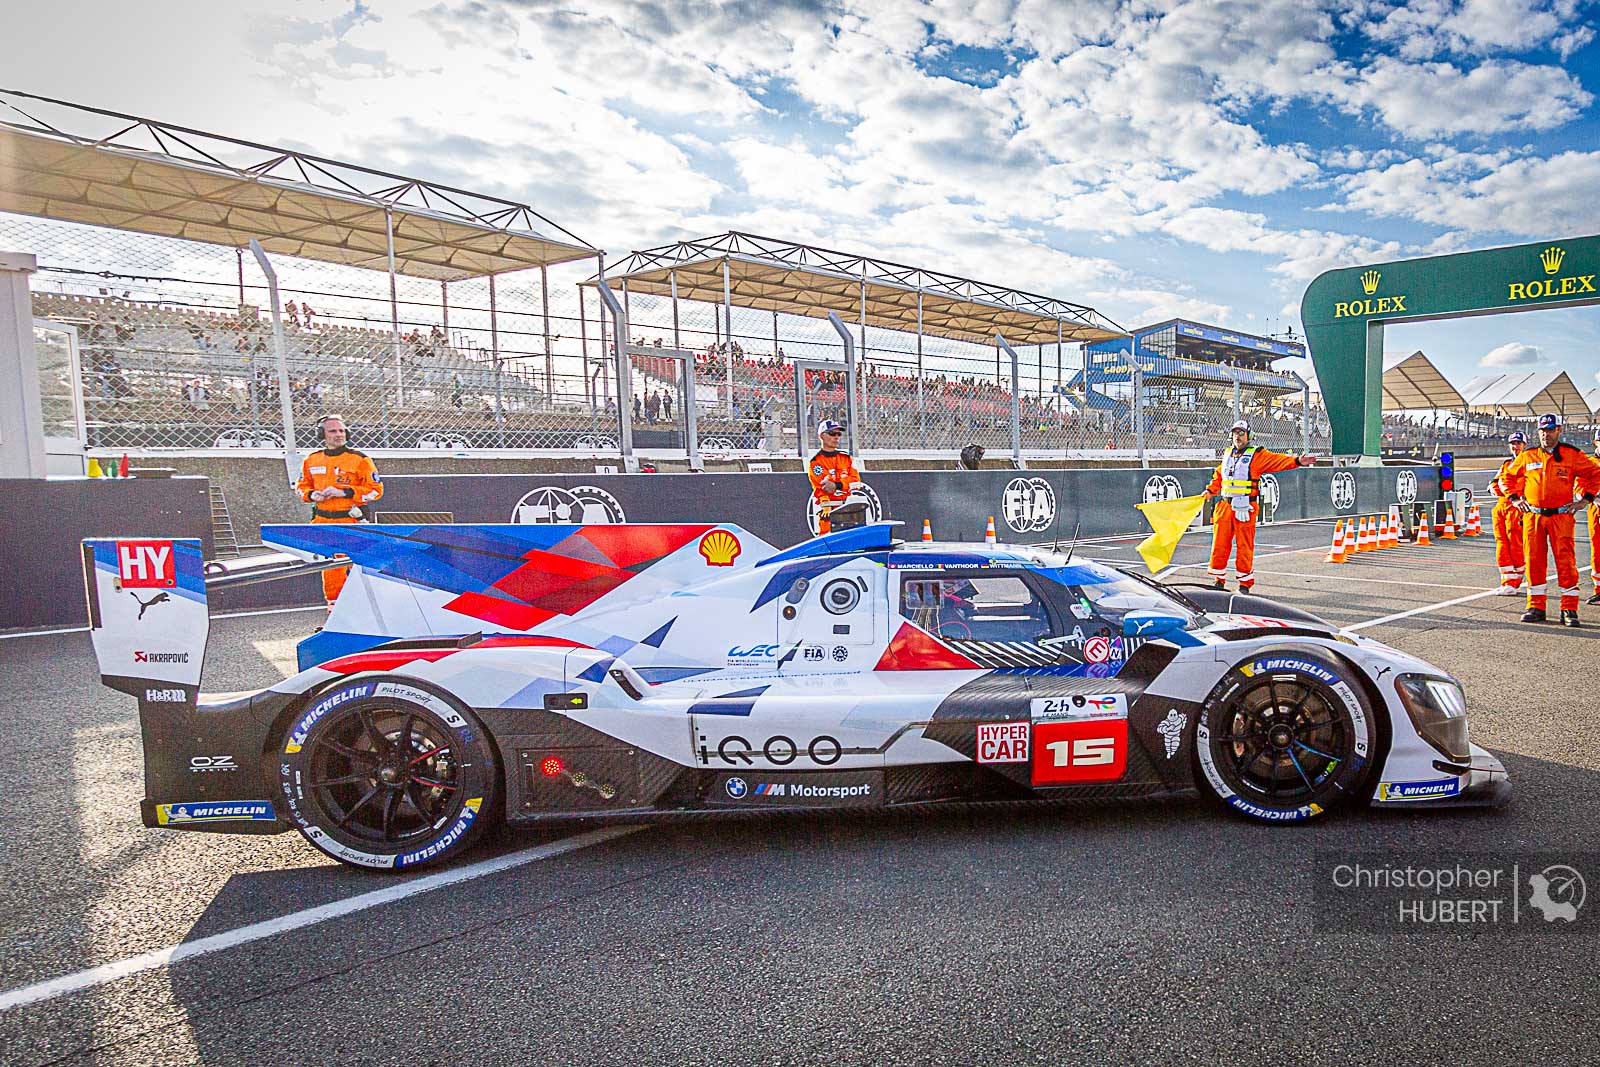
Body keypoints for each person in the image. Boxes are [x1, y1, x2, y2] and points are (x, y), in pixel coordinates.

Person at [1499, 412, 1600, 627]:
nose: (1546, 434)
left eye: (1550, 430)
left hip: (1561, 516)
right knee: (1534, 561)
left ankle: (1569, 608)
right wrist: (1515, 499)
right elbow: (1507, 477)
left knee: (1566, 562)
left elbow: (1595, 474)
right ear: (1538, 432)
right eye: (1543, 430)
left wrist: (1585, 500)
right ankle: (1535, 606)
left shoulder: (1571, 455)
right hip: (1534, 516)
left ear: (1559, 431)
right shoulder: (1528, 456)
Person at [1205, 419, 1317, 592]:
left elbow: (1277, 461)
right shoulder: (1227, 454)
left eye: (1241, 433)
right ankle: (1219, 580)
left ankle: (1244, 584)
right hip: (1225, 506)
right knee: (1219, 545)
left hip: (1245, 507)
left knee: (1244, 546)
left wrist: (1297, 461)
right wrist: (1210, 491)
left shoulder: (1257, 455)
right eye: (1235, 433)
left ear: (1249, 436)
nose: (1238, 437)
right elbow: (1219, 476)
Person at [296, 415, 383, 606]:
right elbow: (301, 487)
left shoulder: (360, 459)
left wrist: (344, 492)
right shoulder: (311, 460)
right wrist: (312, 495)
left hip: (351, 520)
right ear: (322, 435)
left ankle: (363, 608)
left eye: (342, 431)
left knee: (357, 567)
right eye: (333, 431)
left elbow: (375, 491)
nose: (339, 435)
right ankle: (335, 610)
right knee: (330, 568)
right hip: (322, 521)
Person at [1490, 432, 1528, 596]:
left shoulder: (1529, 464)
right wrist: (1494, 487)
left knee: (1516, 544)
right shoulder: (1506, 464)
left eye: (1519, 443)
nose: (1515, 446)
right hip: (1501, 507)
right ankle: (1507, 581)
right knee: (1501, 544)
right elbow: (1494, 483)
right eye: (1513, 443)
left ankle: (1515, 582)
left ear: (1524, 445)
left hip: (1518, 507)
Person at [807, 419, 859, 534]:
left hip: (849, 509)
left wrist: (837, 485)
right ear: (822, 436)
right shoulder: (816, 462)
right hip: (828, 510)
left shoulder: (847, 458)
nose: (836, 437)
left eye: (838, 434)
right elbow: (825, 488)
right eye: (832, 434)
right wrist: (844, 484)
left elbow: (856, 482)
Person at [1590, 425, 1600, 605]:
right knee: (1597, 551)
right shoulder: (1589, 463)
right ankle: (1599, 589)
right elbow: (1578, 485)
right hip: (1596, 509)